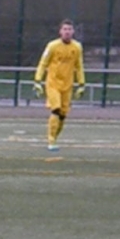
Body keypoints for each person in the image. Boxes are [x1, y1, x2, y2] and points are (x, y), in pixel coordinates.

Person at [33, 19, 86, 152]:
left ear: (73, 32)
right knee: (55, 110)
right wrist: (37, 81)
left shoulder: (77, 47)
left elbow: (79, 66)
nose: (67, 32)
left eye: (69, 29)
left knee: (63, 115)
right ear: (60, 31)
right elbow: (43, 63)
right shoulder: (52, 46)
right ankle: (50, 140)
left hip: (67, 86)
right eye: (65, 29)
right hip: (53, 84)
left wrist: (81, 84)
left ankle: (55, 138)